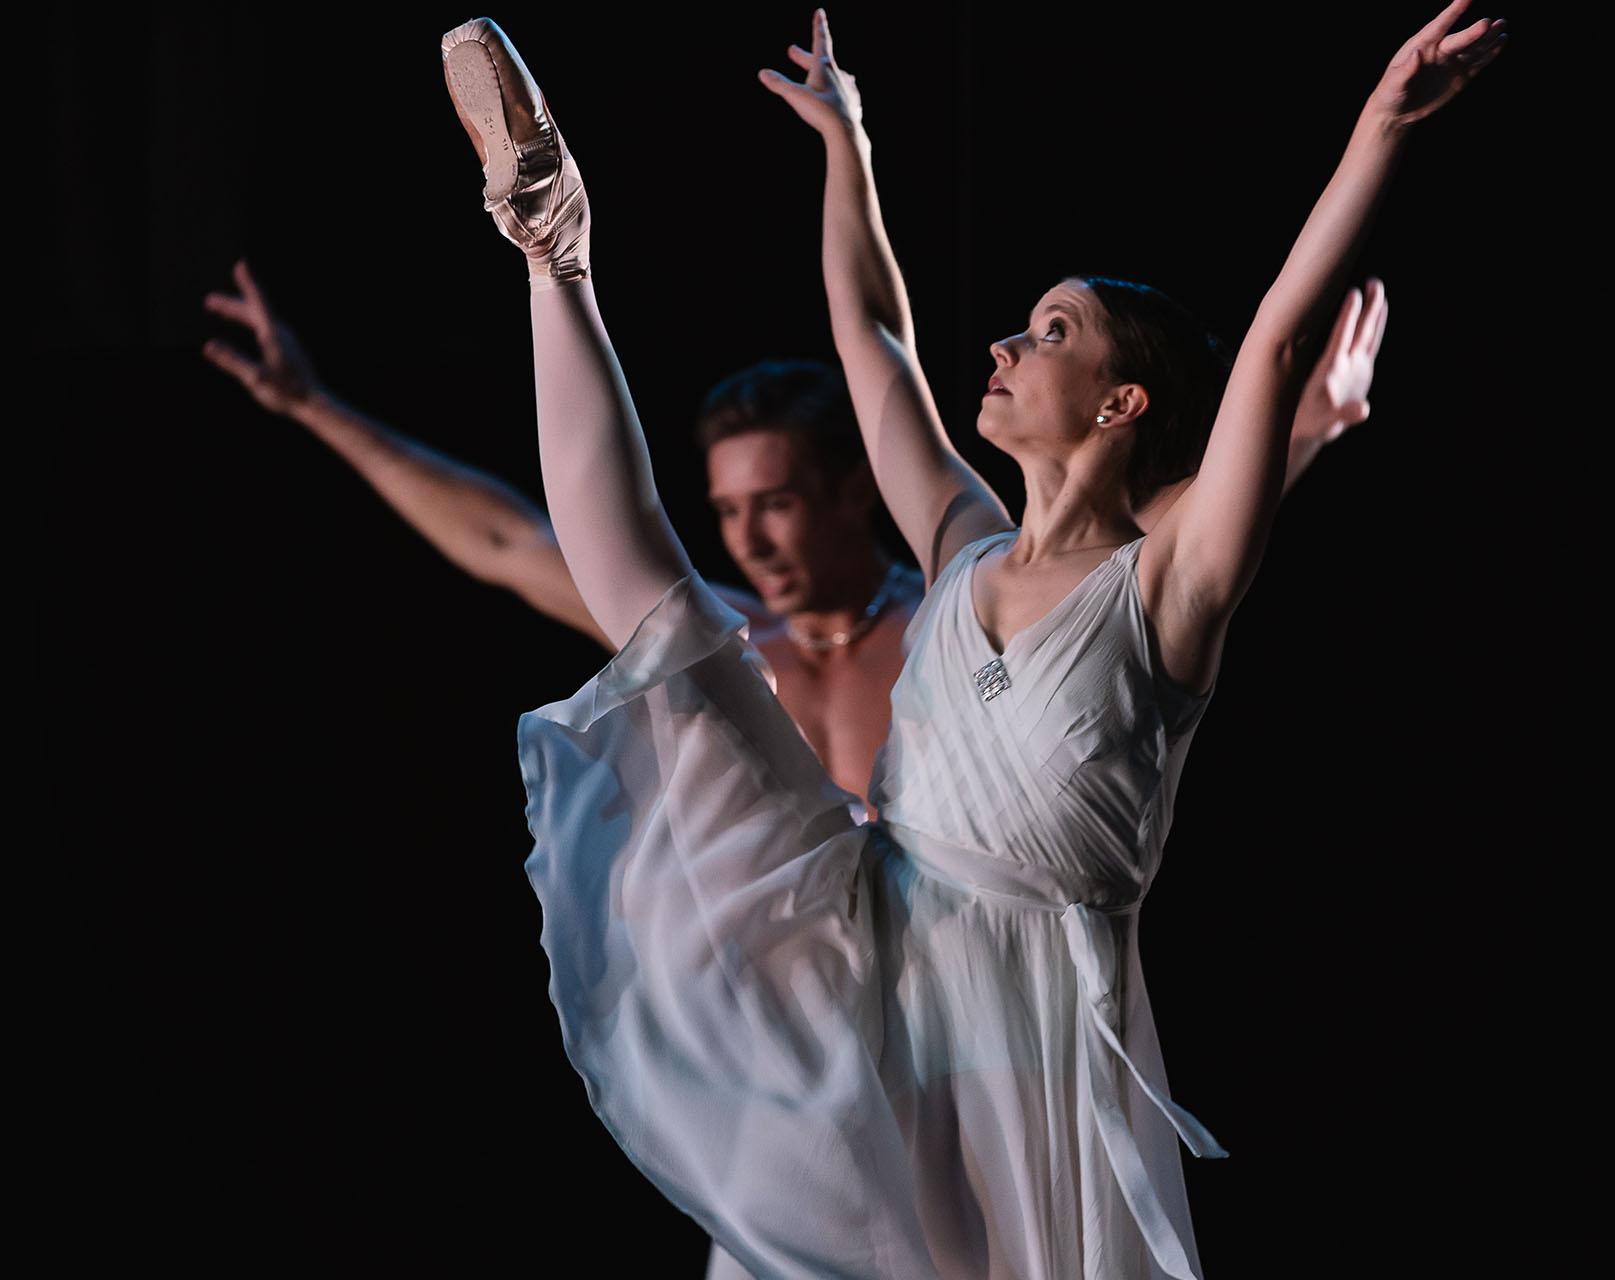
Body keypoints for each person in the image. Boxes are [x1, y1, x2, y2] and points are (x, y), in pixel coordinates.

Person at [444, 5, 1496, 1274]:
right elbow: (875, 338)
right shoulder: (961, 542)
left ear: (1122, 400)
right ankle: (556, 247)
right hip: (868, 941)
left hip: (1024, 1030)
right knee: (668, 629)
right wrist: (852, 148)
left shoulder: (1168, 587)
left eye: (1052, 331)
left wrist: (1377, 131)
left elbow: (1272, 337)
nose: (1003, 343)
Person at [200, 273, 919, 817]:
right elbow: (506, 540)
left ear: (854, 491)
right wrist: (312, 407)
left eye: (777, 505)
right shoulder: (719, 640)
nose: (750, 542)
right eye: (728, 512)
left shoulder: (945, 624)